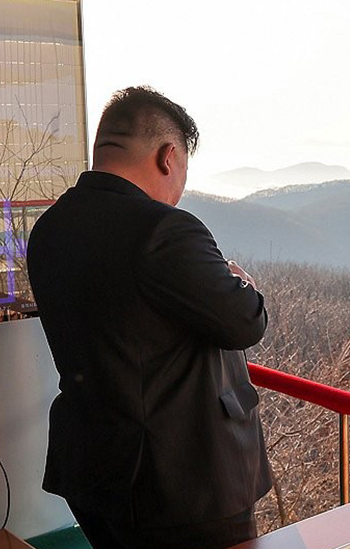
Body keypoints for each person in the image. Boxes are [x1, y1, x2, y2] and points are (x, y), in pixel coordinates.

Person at [26, 86, 272, 549]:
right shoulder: (165, 230)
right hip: (184, 482)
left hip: (93, 466)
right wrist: (243, 284)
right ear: (167, 157)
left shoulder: (50, 228)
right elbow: (245, 323)